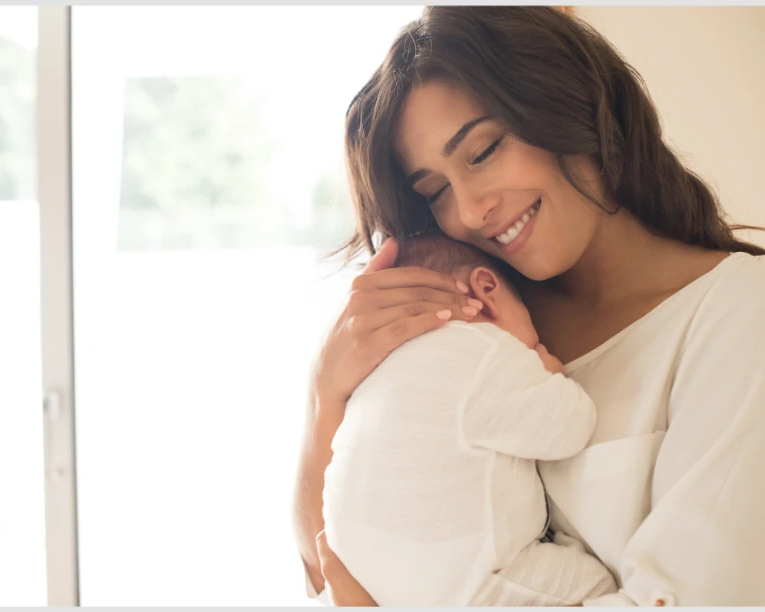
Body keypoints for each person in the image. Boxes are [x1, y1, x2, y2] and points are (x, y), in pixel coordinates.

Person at [292, 5, 765, 607]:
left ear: (568, 104)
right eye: (434, 192)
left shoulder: (738, 314)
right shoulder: (473, 329)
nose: (469, 210)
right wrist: (324, 395)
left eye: (484, 150)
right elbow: (328, 568)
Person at [322, 233, 617, 606]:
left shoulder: (372, 375)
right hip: (466, 588)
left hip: (366, 576)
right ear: (487, 289)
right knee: (596, 587)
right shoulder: (486, 349)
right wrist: (549, 369)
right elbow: (571, 427)